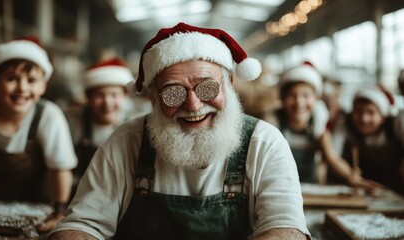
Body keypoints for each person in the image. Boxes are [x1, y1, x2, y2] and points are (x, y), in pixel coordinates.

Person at [48, 22, 310, 240]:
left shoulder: (265, 143)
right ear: (153, 97)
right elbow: (81, 225)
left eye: (207, 88)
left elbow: (286, 229)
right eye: (173, 92)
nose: (193, 105)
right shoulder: (126, 141)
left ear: (229, 83)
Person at [0, 36, 78, 231]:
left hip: (33, 207)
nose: (22, 88)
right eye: (11, 78)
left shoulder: (48, 115)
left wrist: (59, 211)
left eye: (31, 80)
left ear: (43, 86)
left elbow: (60, 169)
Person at [266, 61, 379, 190]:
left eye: (306, 95)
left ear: (315, 98)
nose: (299, 102)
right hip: (278, 187)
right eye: (292, 95)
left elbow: (332, 158)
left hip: (308, 188)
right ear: (282, 99)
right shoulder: (273, 122)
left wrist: (351, 176)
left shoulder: (318, 126)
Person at [65, 57, 135, 185]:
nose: (107, 102)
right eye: (99, 95)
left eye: (114, 95)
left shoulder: (134, 125)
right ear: (88, 98)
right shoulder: (72, 122)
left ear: (125, 96)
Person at [329, 85, 404, 195]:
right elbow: (334, 154)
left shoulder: (396, 124)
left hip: (396, 188)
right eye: (359, 112)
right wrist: (349, 175)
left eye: (371, 112)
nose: (364, 119)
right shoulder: (345, 122)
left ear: (383, 117)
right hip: (359, 189)